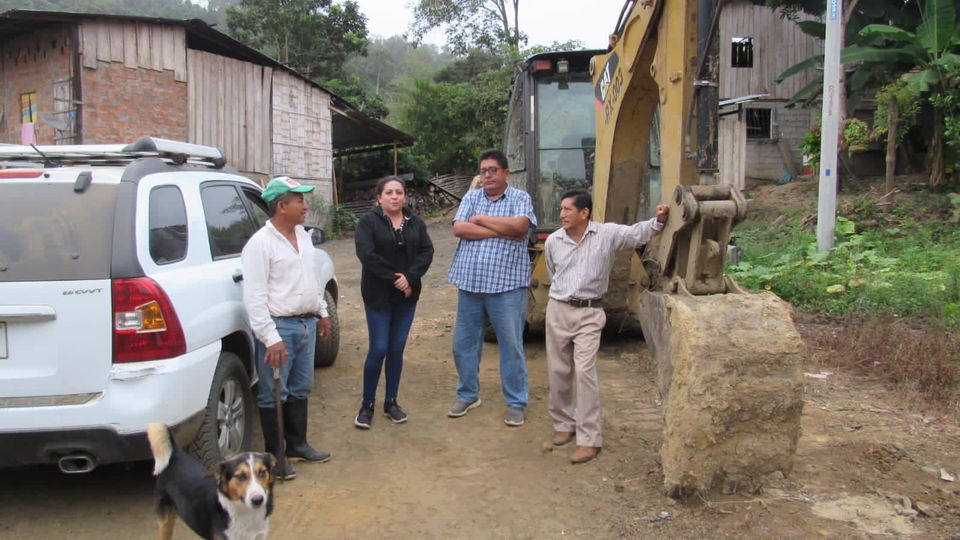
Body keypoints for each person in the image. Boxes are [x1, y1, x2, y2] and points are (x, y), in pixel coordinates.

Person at [544, 189, 668, 464]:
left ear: (584, 213)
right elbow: (554, 274)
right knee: (558, 370)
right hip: (559, 309)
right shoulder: (553, 241)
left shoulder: (606, 235)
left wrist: (658, 221)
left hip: (590, 312)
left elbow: (636, 233)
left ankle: (589, 439)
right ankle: (563, 423)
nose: (562, 214)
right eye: (561, 209)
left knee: (585, 372)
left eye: (567, 209)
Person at [242, 176, 334, 480]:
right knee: (273, 393)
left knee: (301, 387)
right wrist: (270, 338)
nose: (305, 206)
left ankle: (297, 445)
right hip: (279, 328)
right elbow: (255, 298)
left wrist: (322, 312)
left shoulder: (303, 236)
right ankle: (275, 457)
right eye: (299, 201)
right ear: (281, 206)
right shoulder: (260, 244)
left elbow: (312, 279)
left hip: (306, 323)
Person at [447, 149, 537, 426]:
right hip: (470, 284)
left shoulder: (520, 198)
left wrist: (481, 219)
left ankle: (516, 402)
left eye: (493, 170)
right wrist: (501, 230)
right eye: (483, 170)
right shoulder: (472, 197)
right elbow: (459, 229)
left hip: (507, 287)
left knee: (511, 346)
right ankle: (468, 395)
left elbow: (520, 227)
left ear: (506, 173)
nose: (487, 175)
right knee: (463, 345)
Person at [353, 177, 434, 429]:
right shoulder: (367, 222)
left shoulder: (415, 222)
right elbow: (366, 254)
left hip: (407, 296)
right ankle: (367, 405)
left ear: (405, 196)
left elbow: (427, 252)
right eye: (389, 192)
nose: (395, 196)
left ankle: (391, 402)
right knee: (379, 348)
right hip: (378, 295)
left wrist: (410, 278)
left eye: (399, 192)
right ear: (379, 197)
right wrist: (396, 279)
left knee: (396, 349)